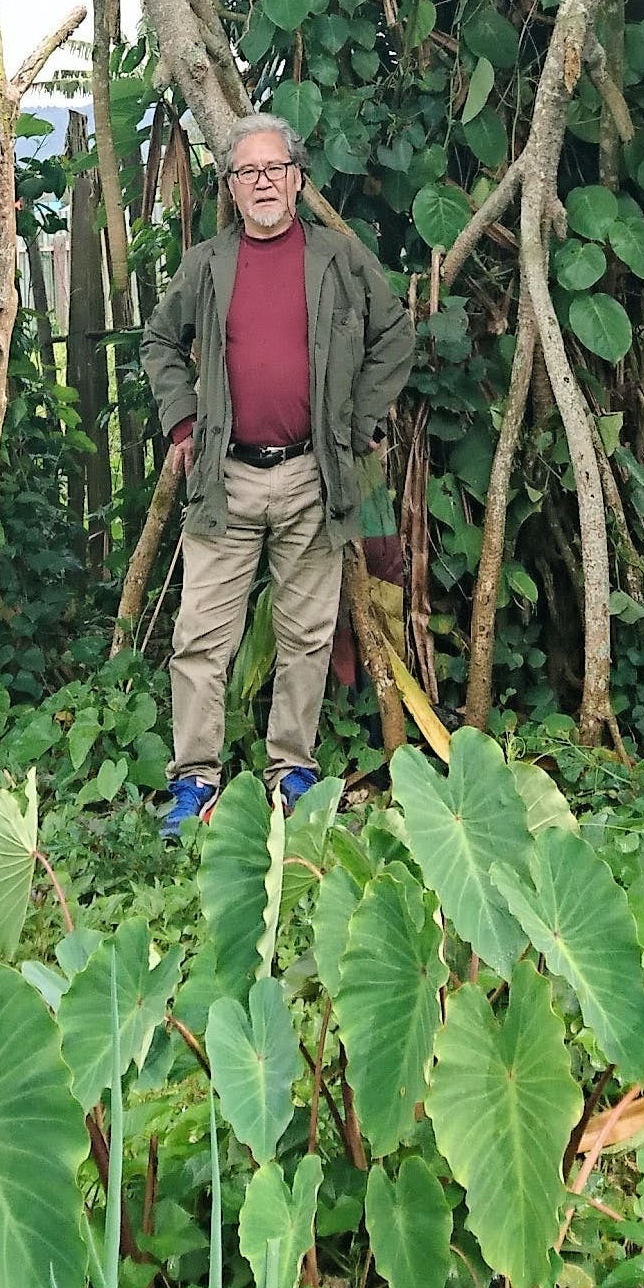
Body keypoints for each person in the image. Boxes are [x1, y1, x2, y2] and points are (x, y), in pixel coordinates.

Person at [141, 112, 416, 833]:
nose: (262, 183)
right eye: (247, 172)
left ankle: (292, 769)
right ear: (230, 188)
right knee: (201, 638)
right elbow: (160, 341)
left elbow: (395, 335)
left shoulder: (339, 258)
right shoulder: (207, 265)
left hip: (312, 477)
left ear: (296, 179)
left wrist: (357, 424)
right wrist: (183, 423)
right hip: (225, 479)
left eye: (274, 169)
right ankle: (194, 783)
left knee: (307, 635)